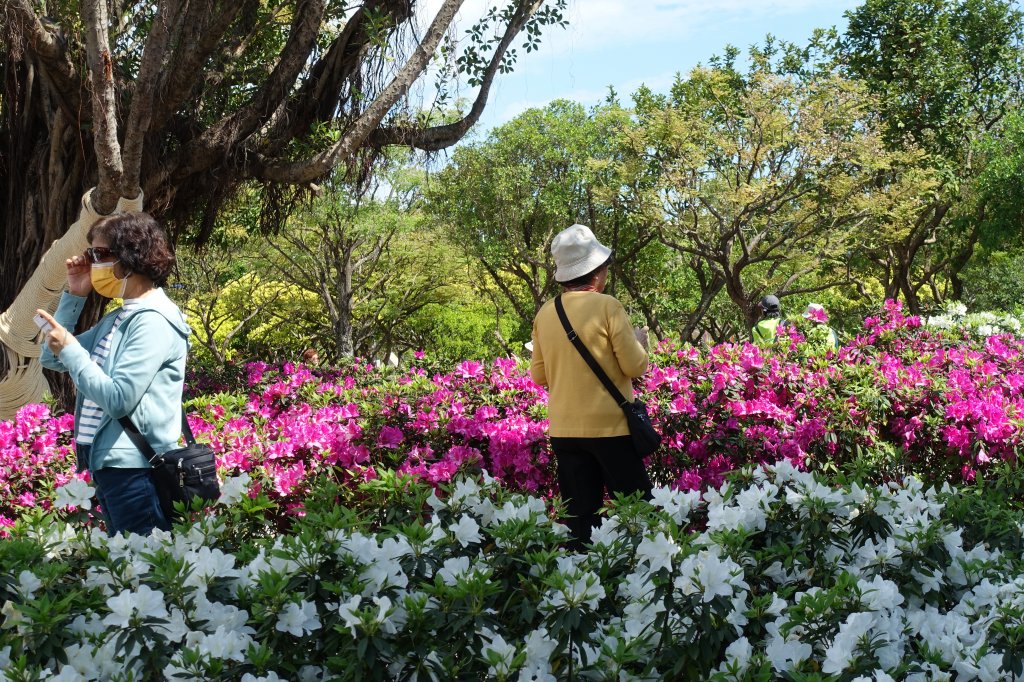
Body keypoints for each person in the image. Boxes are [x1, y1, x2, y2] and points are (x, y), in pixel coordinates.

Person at [37, 211, 191, 536]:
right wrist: (75, 296)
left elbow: (119, 399)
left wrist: (70, 349)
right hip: (111, 465)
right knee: (129, 570)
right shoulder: (119, 317)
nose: (93, 264)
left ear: (131, 255)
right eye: (90, 254)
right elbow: (52, 359)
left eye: (99, 254)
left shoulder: (153, 320)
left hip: (136, 468)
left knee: (144, 572)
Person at [530, 224, 652, 551]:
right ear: (596, 273)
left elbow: (540, 376)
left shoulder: (546, 313)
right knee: (640, 515)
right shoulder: (608, 306)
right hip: (611, 430)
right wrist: (640, 343)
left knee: (581, 521)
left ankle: (586, 588)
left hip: (565, 432)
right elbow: (635, 366)